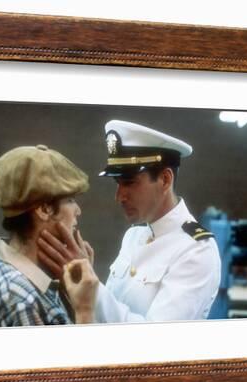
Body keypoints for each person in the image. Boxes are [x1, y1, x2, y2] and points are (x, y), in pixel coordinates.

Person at [38, 120, 221, 322]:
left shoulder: (196, 250)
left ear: (165, 180)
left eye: (129, 183)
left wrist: (92, 288)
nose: (119, 196)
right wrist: (81, 285)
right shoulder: (133, 236)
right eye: (118, 183)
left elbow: (156, 341)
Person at [0, 144, 98, 327]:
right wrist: (85, 310)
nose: (78, 211)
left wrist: (71, 288)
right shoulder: (20, 299)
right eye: (70, 200)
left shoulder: (31, 279)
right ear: (44, 209)